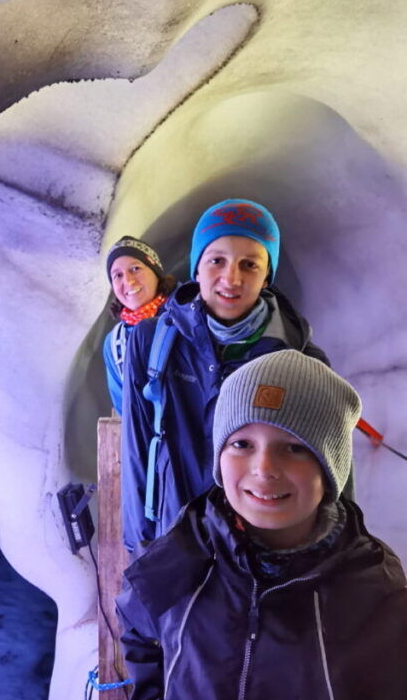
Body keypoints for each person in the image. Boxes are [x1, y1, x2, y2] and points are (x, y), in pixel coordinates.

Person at [117, 350, 407, 700]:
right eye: (241, 443)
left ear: (331, 466)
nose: (263, 469)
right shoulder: (187, 552)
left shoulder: (375, 598)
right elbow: (140, 631)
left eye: (295, 446)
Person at [121, 198, 329, 552]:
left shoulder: (301, 361)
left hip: (259, 555)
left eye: (249, 264)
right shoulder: (152, 342)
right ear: (197, 268)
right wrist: (139, 548)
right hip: (175, 541)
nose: (231, 278)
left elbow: (326, 478)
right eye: (217, 260)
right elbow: (137, 450)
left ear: (266, 277)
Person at [102, 236, 176, 414]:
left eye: (135, 269)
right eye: (117, 275)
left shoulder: (186, 315)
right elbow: (125, 409)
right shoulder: (114, 343)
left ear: (155, 272)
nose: (128, 281)